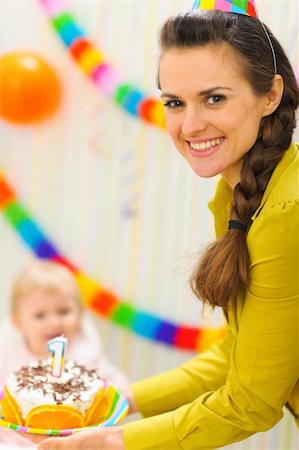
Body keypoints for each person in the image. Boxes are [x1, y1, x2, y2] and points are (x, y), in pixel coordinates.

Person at [25, 2, 299, 449]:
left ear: (270, 94)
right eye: (175, 102)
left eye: (215, 98)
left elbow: (251, 402)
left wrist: (112, 441)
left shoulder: (287, 212)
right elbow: (238, 354)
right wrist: (117, 399)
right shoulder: (236, 196)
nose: (190, 125)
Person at [0, 259, 130, 448]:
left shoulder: (85, 354)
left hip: (71, 444)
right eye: (40, 315)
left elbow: (112, 387)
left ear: (80, 313)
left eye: (63, 311)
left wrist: (122, 394)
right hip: (10, 441)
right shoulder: (8, 350)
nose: (54, 322)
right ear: (18, 322)